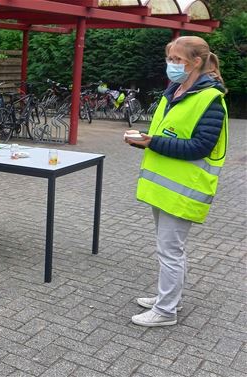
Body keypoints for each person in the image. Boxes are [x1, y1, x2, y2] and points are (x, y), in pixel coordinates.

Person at [125, 36, 228, 327]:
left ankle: (166, 311)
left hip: (184, 188)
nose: (171, 65)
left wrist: (151, 143)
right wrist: (146, 138)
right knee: (169, 249)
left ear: (196, 62)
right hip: (164, 186)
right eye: (169, 59)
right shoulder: (175, 90)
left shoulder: (211, 100)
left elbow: (199, 147)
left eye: (177, 60)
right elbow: (168, 131)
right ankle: (168, 298)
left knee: (170, 251)